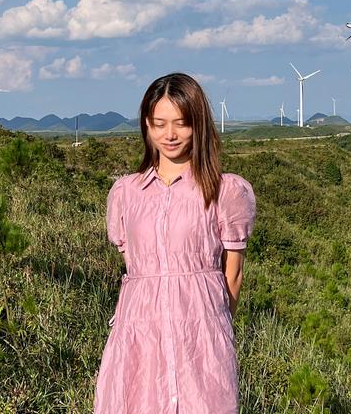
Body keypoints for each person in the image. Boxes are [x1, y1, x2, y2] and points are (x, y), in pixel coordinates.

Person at [93, 72, 257, 414]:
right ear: (146, 125)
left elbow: (233, 275)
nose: (170, 134)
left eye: (181, 123)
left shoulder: (225, 191)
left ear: (198, 125)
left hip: (201, 335)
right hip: (139, 335)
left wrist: (212, 328)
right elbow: (136, 268)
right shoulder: (125, 193)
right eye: (159, 124)